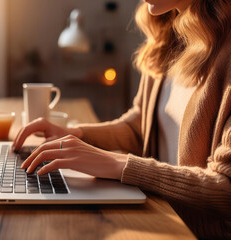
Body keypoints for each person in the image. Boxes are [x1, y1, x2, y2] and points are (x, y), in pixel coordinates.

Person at [13, 0, 231, 238]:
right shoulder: (169, 34)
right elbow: (140, 127)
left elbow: (225, 187)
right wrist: (78, 134)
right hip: (159, 215)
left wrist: (119, 164)